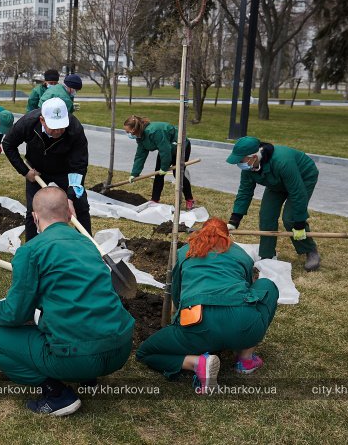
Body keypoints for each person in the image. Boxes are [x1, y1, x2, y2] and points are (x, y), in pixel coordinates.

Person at [0, 187, 134, 415]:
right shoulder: (87, 243)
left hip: (79, 356)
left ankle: (56, 393)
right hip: (120, 347)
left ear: (35, 217)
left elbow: (14, 314)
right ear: (69, 213)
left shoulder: (31, 251)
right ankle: (88, 377)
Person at [136, 218, 279, 394]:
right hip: (243, 325)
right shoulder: (240, 254)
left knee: (145, 353)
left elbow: (178, 293)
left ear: (200, 232)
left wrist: (176, 323)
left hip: (197, 326)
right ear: (227, 236)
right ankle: (245, 359)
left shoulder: (185, 252)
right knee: (267, 286)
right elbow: (250, 292)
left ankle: (197, 363)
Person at [225, 136, 321, 271]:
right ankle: (266, 255)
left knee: (290, 218)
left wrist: (299, 223)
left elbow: (297, 192)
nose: (239, 164)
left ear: (253, 157)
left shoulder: (282, 162)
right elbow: (244, 192)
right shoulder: (248, 168)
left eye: (240, 160)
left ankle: (310, 250)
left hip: (303, 177)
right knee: (266, 215)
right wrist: (234, 220)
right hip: (276, 181)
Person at [2, 97, 90, 242]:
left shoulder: (75, 129)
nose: (58, 131)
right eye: (54, 127)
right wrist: (25, 171)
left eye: (62, 126)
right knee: (33, 211)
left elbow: (79, 165)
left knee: (80, 207)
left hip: (65, 172)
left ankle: (88, 248)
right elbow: (8, 144)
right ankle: (32, 249)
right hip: (37, 172)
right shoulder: (29, 122)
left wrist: (70, 197)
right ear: (42, 120)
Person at [123, 115, 195, 210]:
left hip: (180, 146)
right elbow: (140, 155)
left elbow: (165, 150)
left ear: (134, 129)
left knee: (178, 174)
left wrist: (164, 168)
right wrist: (134, 173)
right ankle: (154, 200)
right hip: (166, 149)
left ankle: (189, 199)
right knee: (158, 174)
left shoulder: (154, 132)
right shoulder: (140, 137)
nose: (127, 133)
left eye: (128, 131)